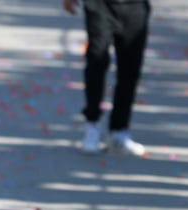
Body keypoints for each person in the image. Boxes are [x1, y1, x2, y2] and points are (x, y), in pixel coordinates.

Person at [63, 0, 151, 156]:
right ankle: (92, 125)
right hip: (100, 5)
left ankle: (119, 131)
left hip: (135, 6)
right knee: (96, 60)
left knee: (130, 69)